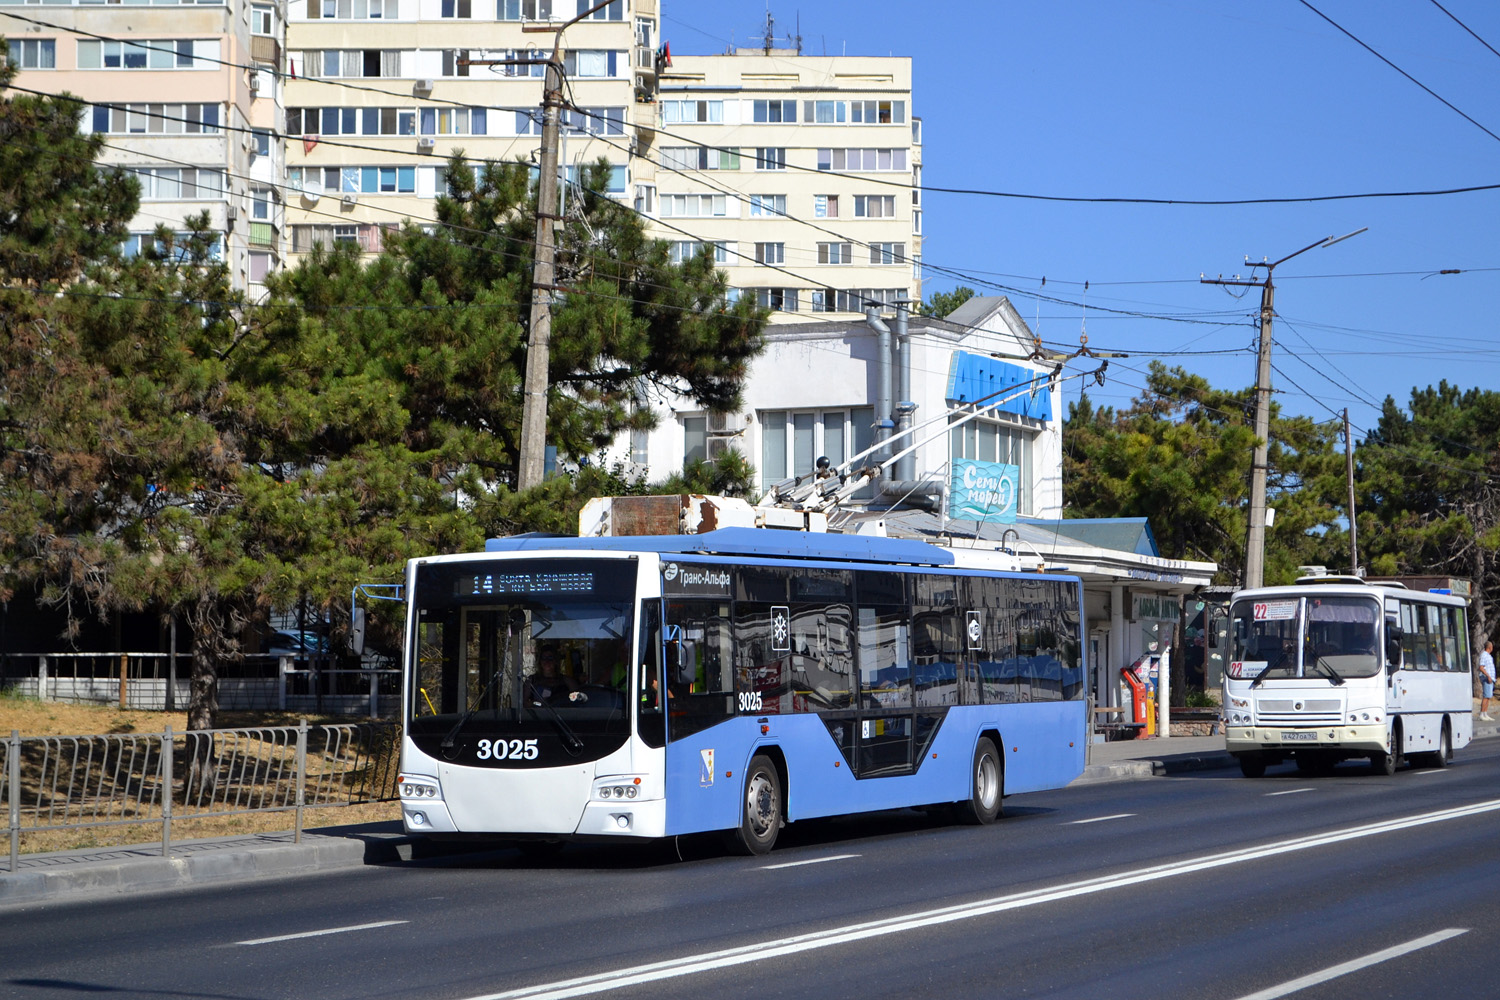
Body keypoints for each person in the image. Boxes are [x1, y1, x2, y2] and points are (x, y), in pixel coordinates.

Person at [1478, 640, 1496, 721]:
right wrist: (1488, 676)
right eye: (1491, 646)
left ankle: (1485, 713)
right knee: (1486, 696)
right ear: (1489, 647)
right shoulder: (1484, 655)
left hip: (1491, 678)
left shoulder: (1489, 656)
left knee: (1488, 696)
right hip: (1486, 678)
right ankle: (1482, 713)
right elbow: (1481, 667)